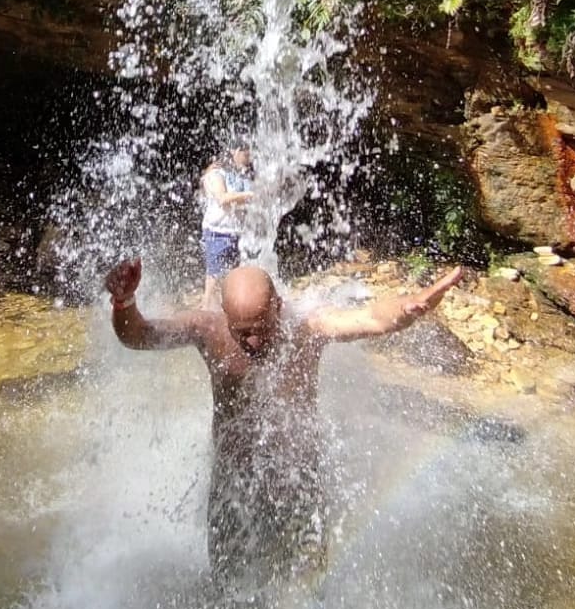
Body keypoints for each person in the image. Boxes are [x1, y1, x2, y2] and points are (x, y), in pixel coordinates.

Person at [104, 256, 463, 582]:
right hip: (234, 484)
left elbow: (367, 318)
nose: (256, 340)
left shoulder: (307, 327)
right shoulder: (208, 331)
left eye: (263, 325)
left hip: (298, 479)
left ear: (279, 304)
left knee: (310, 582)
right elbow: (140, 336)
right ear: (224, 315)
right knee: (228, 585)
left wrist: (408, 308)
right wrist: (124, 303)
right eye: (242, 330)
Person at [200, 141, 254, 309]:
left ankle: (224, 315)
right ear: (234, 151)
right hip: (217, 233)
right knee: (213, 282)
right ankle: (204, 315)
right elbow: (222, 198)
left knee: (231, 280)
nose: (250, 157)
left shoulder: (242, 175)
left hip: (236, 234)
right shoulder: (216, 174)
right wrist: (250, 194)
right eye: (246, 153)